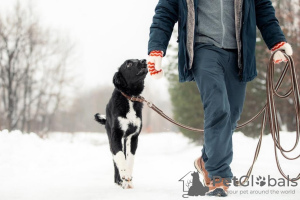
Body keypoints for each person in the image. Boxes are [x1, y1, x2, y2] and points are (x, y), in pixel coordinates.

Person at [147, 0, 293, 197]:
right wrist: (157, 48)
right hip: (203, 49)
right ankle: (219, 176)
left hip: (239, 52)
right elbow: (165, 11)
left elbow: (262, 8)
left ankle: (206, 159)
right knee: (218, 107)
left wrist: (277, 42)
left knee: (232, 114)